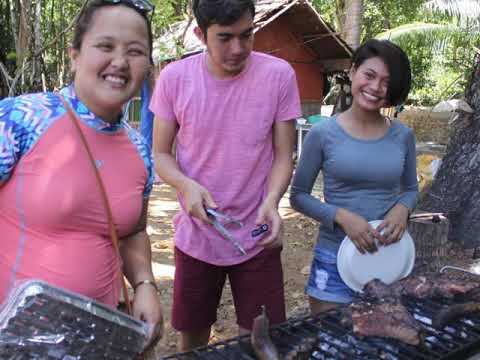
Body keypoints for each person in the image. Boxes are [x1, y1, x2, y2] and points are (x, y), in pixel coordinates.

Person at [0, 0, 163, 346]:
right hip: (13, 340)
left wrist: (145, 284)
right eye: (105, 46)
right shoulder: (22, 119)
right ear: (75, 54)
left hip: (96, 338)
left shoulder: (139, 150)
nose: (119, 62)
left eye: (135, 51)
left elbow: (133, 232)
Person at [150, 0, 301, 351]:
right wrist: (185, 185)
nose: (238, 48)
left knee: (262, 337)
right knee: (193, 336)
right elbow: (160, 155)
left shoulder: (279, 75)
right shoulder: (175, 78)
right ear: (200, 34)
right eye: (225, 38)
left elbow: (283, 155)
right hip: (197, 235)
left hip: (257, 233)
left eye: (247, 35)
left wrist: (271, 201)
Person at [290, 39, 419, 314]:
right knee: (329, 344)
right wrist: (341, 217)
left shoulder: (403, 136)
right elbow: (298, 196)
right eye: (369, 75)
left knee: (383, 345)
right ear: (352, 71)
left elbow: (410, 189)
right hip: (334, 256)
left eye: (386, 82)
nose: (375, 87)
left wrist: (402, 209)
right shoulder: (322, 134)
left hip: (389, 258)